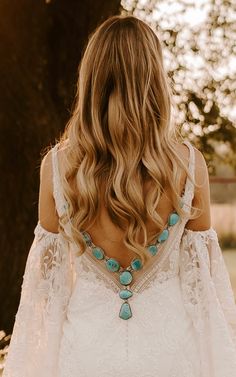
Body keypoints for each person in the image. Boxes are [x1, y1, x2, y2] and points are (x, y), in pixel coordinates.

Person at [3, 14, 236, 377]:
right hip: (171, 356)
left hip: (86, 356)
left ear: (91, 81)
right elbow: (203, 291)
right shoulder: (190, 166)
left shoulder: (57, 168)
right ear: (154, 81)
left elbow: (45, 293)